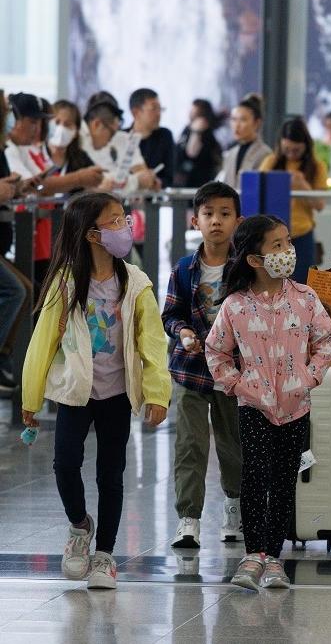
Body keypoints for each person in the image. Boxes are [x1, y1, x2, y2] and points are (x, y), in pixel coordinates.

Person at [20, 192, 171, 589]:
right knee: (64, 463)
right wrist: (30, 398)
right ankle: (80, 526)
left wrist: (158, 392)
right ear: (92, 234)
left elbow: (153, 341)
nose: (125, 227)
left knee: (112, 473)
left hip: (118, 394)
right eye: (116, 221)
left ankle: (105, 554)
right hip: (76, 392)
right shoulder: (66, 282)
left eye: (124, 219)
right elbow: (42, 342)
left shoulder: (136, 282)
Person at [205, 214, 331, 591]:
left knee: (283, 483)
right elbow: (216, 351)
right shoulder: (235, 306)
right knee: (255, 476)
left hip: (296, 409)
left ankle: (274, 558)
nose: (287, 251)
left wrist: (309, 377)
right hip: (255, 408)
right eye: (277, 245)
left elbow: (325, 341)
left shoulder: (306, 299)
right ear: (254, 260)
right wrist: (239, 386)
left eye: (288, 242)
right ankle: (253, 554)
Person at [162, 182, 245, 549]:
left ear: (237, 221)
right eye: (209, 214)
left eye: (225, 214)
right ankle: (188, 519)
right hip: (191, 371)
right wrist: (181, 332)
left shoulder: (245, 270)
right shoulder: (183, 269)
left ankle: (234, 506)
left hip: (234, 374)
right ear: (195, 220)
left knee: (234, 444)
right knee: (190, 446)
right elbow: (171, 313)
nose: (216, 222)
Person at [258, 118, 328, 281]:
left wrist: (302, 185)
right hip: (271, 233)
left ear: (306, 146)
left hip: (301, 235)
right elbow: (258, 192)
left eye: (296, 150)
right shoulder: (271, 162)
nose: (290, 154)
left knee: (301, 285)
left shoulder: (317, 166)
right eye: (287, 149)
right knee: (271, 283)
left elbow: (320, 205)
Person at [80, 92, 160, 192]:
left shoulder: (124, 138)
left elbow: (142, 172)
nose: (109, 140)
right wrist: (134, 181)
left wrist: (149, 179)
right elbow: (92, 183)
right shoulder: (78, 141)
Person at [218, 95, 272, 188]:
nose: (236, 125)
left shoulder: (265, 153)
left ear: (257, 123)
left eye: (243, 120)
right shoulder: (231, 153)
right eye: (234, 119)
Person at [129, 88, 174, 187]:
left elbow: (170, 176)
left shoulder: (165, 136)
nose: (159, 114)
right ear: (135, 112)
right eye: (154, 109)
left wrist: (157, 182)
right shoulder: (122, 137)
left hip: (154, 198)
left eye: (160, 109)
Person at [175, 99, 223, 187]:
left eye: (194, 111)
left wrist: (196, 132)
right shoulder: (187, 128)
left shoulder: (204, 132)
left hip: (198, 181)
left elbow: (191, 153)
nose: (190, 113)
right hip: (184, 179)